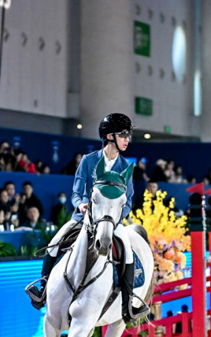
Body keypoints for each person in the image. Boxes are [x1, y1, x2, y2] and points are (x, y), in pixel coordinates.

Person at [25, 113, 149, 323]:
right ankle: (43, 289)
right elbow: (76, 191)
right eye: (123, 134)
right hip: (84, 217)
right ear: (109, 136)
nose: (127, 139)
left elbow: (128, 200)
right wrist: (80, 204)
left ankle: (128, 304)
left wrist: (115, 217)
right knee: (55, 242)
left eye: (128, 135)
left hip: (113, 221)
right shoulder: (88, 160)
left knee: (127, 252)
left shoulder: (126, 167)